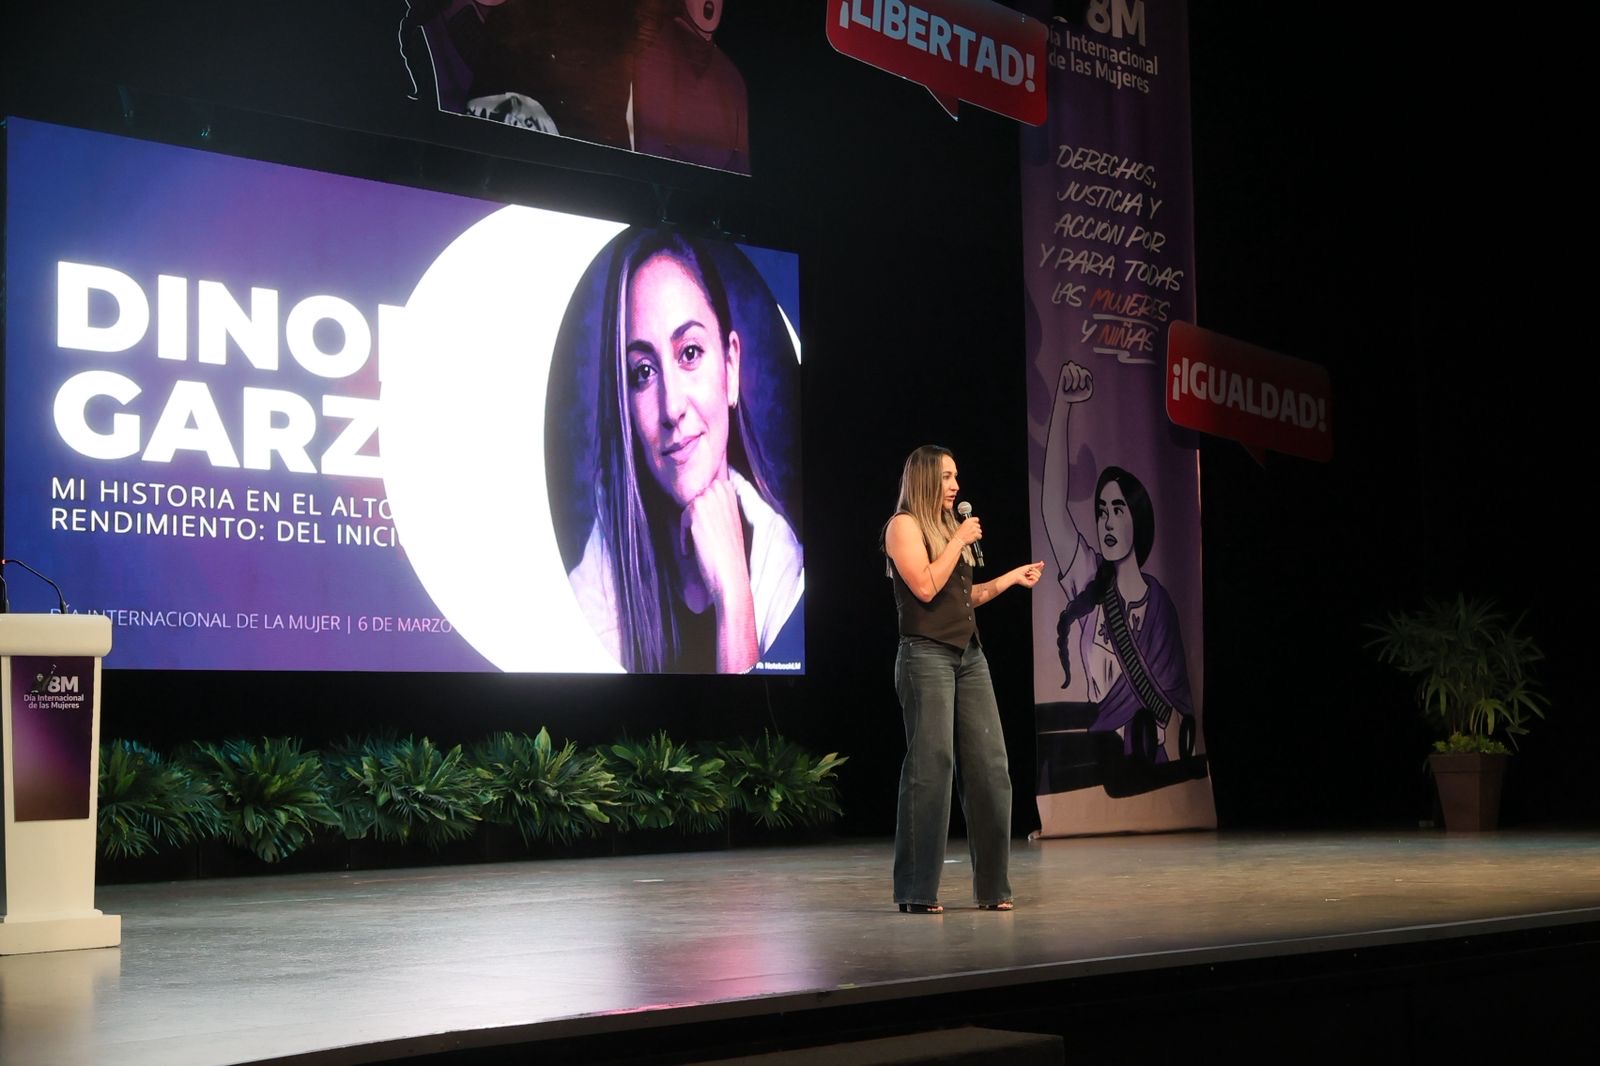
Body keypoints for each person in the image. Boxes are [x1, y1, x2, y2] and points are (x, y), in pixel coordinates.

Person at [568, 227, 802, 673]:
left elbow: (755, 722)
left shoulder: (779, 559)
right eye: (643, 372)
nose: (671, 407)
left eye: (690, 352)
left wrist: (734, 594)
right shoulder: (606, 559)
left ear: (730, 369)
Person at [883, 445, 1043, 913]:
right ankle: (916, 891)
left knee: (991, 768)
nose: (956, 486)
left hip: (969, 654)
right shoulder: (903, 526)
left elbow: (962, 597)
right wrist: (958, 540)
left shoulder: (949, 527)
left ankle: (993, 889)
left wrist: (1011, 578)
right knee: (931, 768)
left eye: (956, 476)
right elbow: (925, 586)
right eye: (947, 477)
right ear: (925, 478)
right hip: (925, 654)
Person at [1041, 361, 1196, 765]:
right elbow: (1052, 509)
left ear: (1137, 519)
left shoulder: (1160, 607)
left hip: (1155, 764)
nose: (1106, 522)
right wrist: (1063, 405)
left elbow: (1180, 705)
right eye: (1100, 511)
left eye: (1118, 510)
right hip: (1098, 758)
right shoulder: (1090, 578)